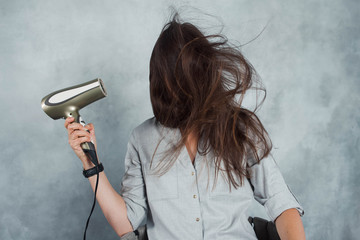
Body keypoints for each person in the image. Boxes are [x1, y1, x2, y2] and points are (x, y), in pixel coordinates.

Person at [64, 13, 305, 240]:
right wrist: (91, 165)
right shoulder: (142, 139)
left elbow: (282, 204)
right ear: (161, 83)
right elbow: (127, 223)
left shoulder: (240, 128)